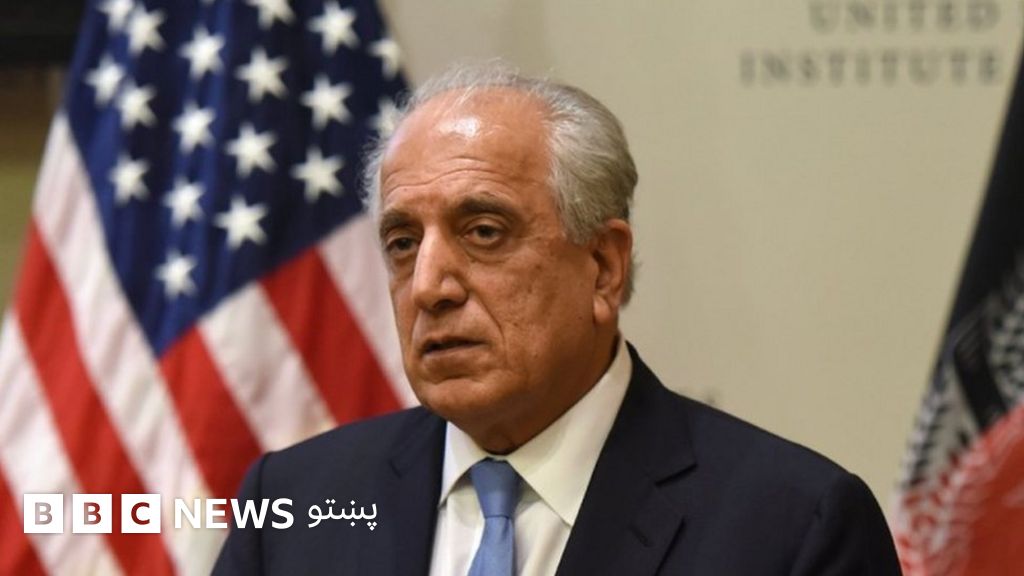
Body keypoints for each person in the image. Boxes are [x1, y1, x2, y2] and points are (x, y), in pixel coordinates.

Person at [213, 62, 902, 575]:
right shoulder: (291, 507)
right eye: (402, 243)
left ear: (603, 266)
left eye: (483, 232)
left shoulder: (793, 528)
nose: (428, 287)